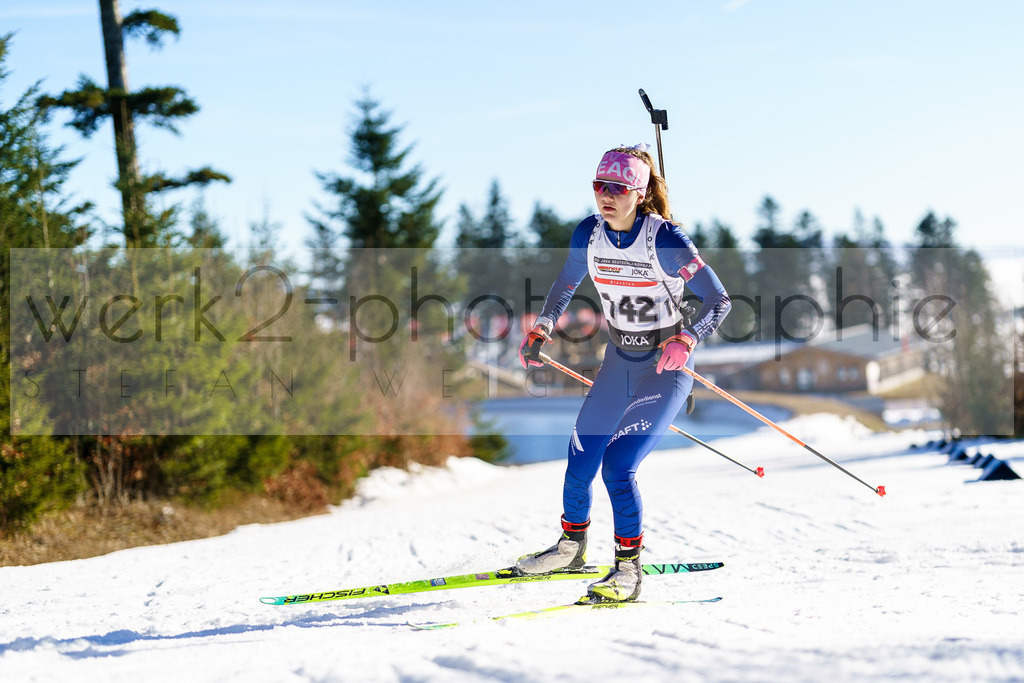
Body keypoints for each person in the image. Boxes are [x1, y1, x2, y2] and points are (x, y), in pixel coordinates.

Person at [516, 144, 732, 602]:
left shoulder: (665, 239)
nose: (605, 196)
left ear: (639, 192)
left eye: (616, 188)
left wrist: (688, 338)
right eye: (599, 186)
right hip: (618, 364)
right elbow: (566, 281)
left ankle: (628, 571)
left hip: (664, 370)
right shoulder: (588, 235)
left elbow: (719, 300)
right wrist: (544, 324)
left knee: (618, 465)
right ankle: (571, 547)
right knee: (579, 460)